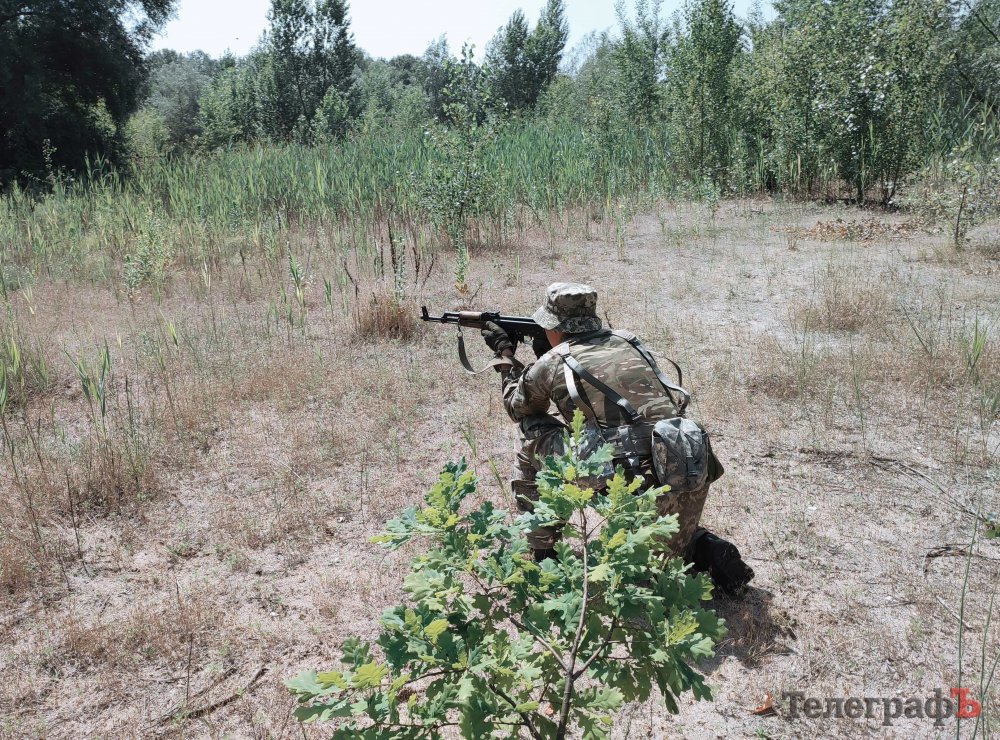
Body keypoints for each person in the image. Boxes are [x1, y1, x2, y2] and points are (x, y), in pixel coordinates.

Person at [481, 282, 754, 596]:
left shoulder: (553, 362)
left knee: (532, 429)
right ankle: (706, 547)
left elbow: (518, 408)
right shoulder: (628, 341)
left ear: (554, 326)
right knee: (666, 551)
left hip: (626, 473)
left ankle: (544, 551)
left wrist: (505, 355)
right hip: (681, 463)